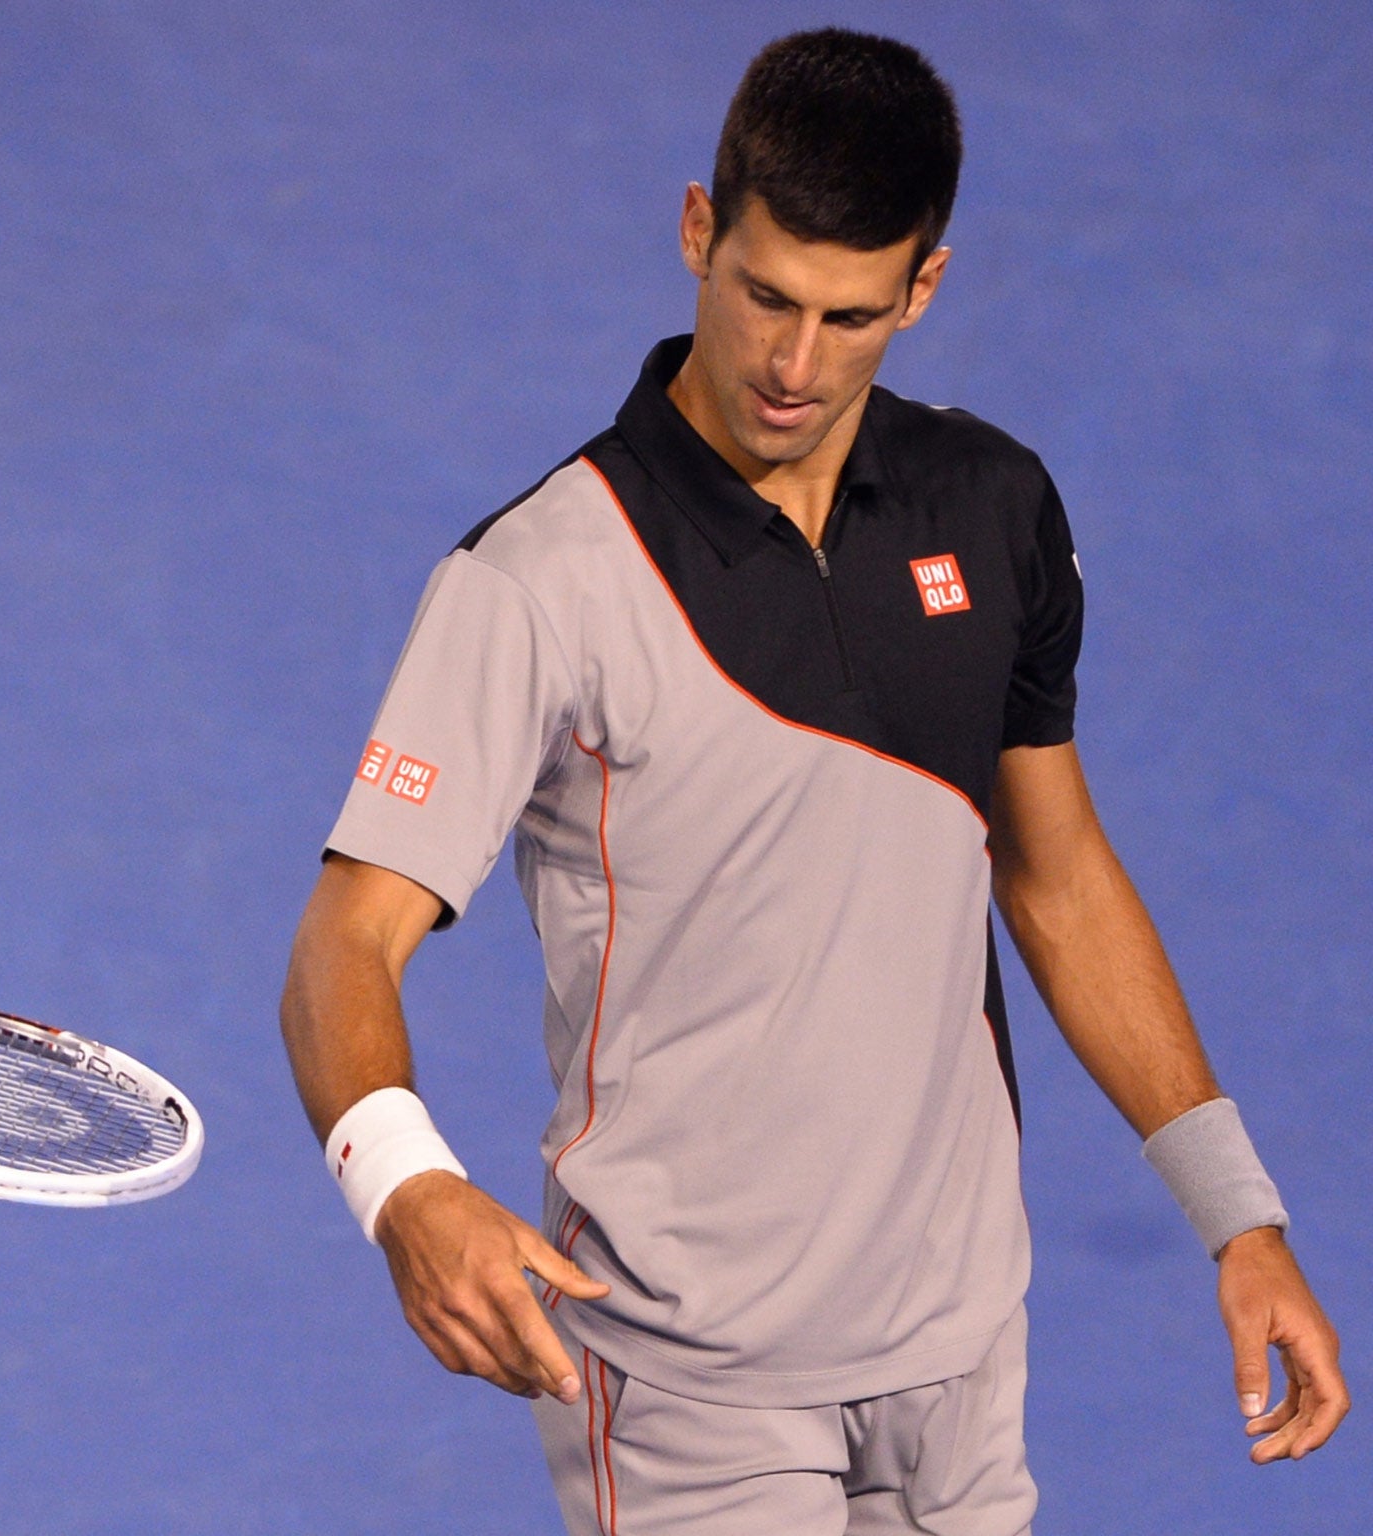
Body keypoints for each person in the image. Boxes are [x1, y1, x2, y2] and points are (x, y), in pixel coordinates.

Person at [278, 26, 1348, 1536]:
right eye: (764, 296)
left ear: (925, 287)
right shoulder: (539, 580)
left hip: (961, 1353)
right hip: (686, 1386)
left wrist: (1239, 1216)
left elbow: (1057, 876)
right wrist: (405, 1187)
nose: (794, 365)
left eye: (851, 317)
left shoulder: (994, 506)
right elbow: (343, 941)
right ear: (699, 230)